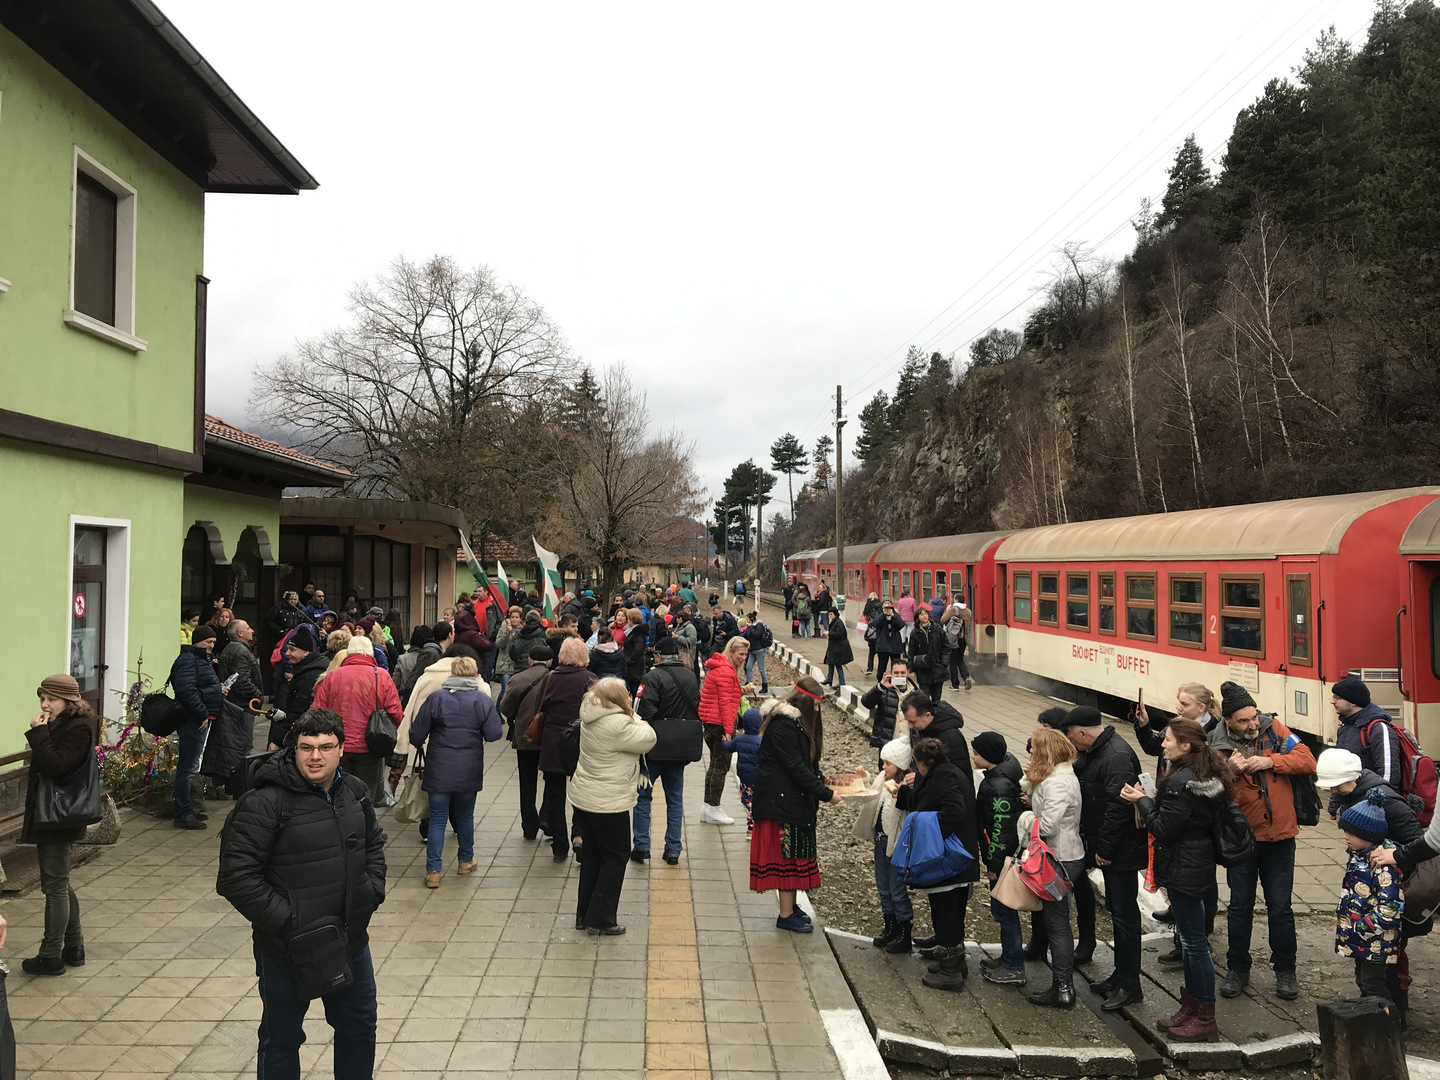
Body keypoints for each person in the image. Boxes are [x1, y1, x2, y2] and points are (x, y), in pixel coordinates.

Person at [217, 708, 386, 1080]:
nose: (316, 756)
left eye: (326, 747)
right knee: (282, 1038)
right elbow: (235, 877)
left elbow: (373, 845)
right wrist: (288, 921)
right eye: (307, 747)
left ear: (342, 749)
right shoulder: (264, 803)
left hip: (349, 941)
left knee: (359, 1030)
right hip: (286, 948)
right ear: (294, 749)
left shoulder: (355, 793)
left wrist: (370, 892)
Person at [1121, 717, 1234, 1043]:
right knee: (1191, 940)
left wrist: (1141, 800)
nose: (1163, 743)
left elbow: (1164, 828)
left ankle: (1203, 1017)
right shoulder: (1205, 774)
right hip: (1197, 865)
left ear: (1185, 746)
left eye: (1168, 739)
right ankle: (1192, 1007)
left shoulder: (1178, 781)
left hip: (1183, 867)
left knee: (1194, 944)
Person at [1207, 681, 1315, 1002]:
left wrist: (1271, 761)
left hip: (1280, 837)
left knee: (1280, 909)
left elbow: (1307, 759)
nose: (1252, 724)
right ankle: (1238, 969)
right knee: (1240, 907)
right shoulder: (1214, 744)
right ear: (1228, 722)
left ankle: (1286, 970)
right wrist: (1229, 770)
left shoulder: (1275, 729)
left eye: (1254, 717)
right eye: (1243, 720)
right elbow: (1205, 788)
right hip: (1240, 841)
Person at [1060, 705, 1146, 1007]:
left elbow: (1118, 808)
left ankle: (1130, 985)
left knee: (1125, 917)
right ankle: (1121, 975)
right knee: (1118, 912)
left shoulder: (1116, 756)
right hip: (1112, 847)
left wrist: (1104, 851)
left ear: (1084, 733)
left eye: (1072, 737)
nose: (1072, 743)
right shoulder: (1099, 751)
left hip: (1120, 851)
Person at [750, 678, 844, 932]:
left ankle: (789, 908)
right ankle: (785, 914)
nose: (817, 710)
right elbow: (796, 768)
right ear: (804, 700)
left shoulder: (792, 723)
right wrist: (826, 793)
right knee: (786, 859)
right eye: (815, 704)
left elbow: (805, 766)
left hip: (787, 800)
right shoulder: (784, 725)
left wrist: (823, 781)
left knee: (791, 857)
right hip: (780, 803)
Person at [1135, 682, 1220, 959]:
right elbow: (1154, 747)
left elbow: (1166, 828)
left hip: (1188, 831)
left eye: (1184, 704)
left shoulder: (1207, 736)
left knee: (1194, 887)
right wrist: (1144, 726)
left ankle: (1193, 939)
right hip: (1175, 810)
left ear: (1201, 708)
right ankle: (1183, 927)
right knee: (1184, 884)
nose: (1178, 708)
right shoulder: (1178, 729)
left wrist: (1145, 802)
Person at [20, 675, 97, 976]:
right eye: (42, 698)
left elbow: (57, 765)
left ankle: (50, 954)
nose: (44, 704)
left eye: (50, 699)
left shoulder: (78, 729)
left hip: (59, 816)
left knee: (54, 886)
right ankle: (74, 947)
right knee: (60, 883)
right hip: (53, 814)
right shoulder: (63, 724)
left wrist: (39, 733)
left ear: (68, 701)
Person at [570, 678, 657, 934]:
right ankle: (601, 917)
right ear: (617, 699)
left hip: (585, 797)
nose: (630, 699)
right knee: (617, 856)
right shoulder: (618, 724)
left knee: (593, 856)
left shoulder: (591, 713)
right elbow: (649, 737)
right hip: (609, 802)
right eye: (626, 695)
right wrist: (638, 718)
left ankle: (584, 914)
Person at [409, 657, 503, 887]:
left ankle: (433, 871)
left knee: (437, 820)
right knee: (465, 816)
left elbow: (416, 734)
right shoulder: (481, 699)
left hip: (439, 765)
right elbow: (494, 733)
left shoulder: (437, 698)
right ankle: (465, 861)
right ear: (473, 674)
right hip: (469, 767)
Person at [892, 735, 976, 989]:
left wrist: (929, 835)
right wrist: (906, 794)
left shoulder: (944, 776)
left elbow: (952, 811)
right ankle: (955, 962)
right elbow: (927, 800)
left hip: (948, 859)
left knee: (946, 912)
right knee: (952, 911)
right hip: (960, 857)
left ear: (920, 762)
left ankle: (950, 973)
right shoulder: (946, 771)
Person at [1017, 728, 1085, 1006]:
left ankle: (1063, 989)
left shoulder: (1057, 782)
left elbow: (1047, 825)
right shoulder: (1060, 774)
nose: (1030, 751)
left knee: (1057, 924)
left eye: (1033, 748)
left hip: (1059, 858)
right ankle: (1062, 985)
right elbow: (1036, 792)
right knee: (1056, 922)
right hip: (1063, 854)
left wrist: (1024, 818)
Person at [632, 638, 701, 865]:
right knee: (675, 798)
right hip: (680, 747)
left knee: (643, 797)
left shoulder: (652, 677)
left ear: (659, 656)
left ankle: (641, 846)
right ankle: (673, 849)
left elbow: (643, 710)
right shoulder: (691, 677)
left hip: (654, 747)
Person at [1333, 790, 1405, 1006]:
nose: (1346, 836)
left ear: (1369, 836)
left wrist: (1362, 928)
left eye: (1351, 833)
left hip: (1376, 940)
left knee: (1373, 985)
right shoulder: (1359, 858)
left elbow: (1391, 908)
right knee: (1365, 982)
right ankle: (1371, 1023)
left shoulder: (1382, 868)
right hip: (1364, 939)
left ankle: (1388, 1027)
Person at [312, 636, 404, 804]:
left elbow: (317, 710)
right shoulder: (381, 676)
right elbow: (396, 711)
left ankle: (342, 825)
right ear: (370, 653)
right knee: (365, 794)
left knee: (339, 791)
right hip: (371, 744)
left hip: (337, 743)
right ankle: (366, 827)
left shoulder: (333, 676)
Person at [534, 637, 598, 862]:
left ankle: (559, 846)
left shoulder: (550, 678)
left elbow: (539, 707)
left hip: (553, 743)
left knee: (555, 795)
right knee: (582, 794)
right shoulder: (590, 679)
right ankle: (579, 836)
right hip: (582, 742)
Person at [972, 732, 1025, 987]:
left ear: (988, 757)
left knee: (1005, 912)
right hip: (1002, 857)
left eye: (976, 753)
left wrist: (994, 866)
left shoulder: (997, 786)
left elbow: (1000, 830)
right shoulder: (1000, 777)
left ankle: (1014, 966)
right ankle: (1008, 957)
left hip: (1002, 861)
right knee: (1003, 911)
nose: (972, 756)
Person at [854, 738, 914, 954]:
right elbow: (870, 796)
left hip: (896, 843)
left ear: (899, 764)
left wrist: (901, 794)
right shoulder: (883, 779)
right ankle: (889, 925)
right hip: (881, 839)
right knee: (883, 886)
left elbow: (906, 814)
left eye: (887, 763)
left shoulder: (906, 786)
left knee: (897, 888)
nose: (883, 767)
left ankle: (904, 930)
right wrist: (864, 779)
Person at [497, 645, 554, 841]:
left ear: (529, 660)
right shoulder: (555, 679)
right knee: (553, 779)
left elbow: (505, 708)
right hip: (550, 738)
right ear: (550, 662)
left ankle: (529, 827)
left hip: (525, 737)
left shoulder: (518, 679)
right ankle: (547, 816)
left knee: (527, 782)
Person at [169, 625, 223, 829]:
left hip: (201, 717)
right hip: (193, 720)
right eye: (208, 642)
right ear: (197, 641)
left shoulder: (201, 659)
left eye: (213, 643)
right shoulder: (188, 660)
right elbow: (186, 690)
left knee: (191, 767)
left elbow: (200, 686)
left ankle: (188, 809)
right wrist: (201, 713)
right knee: (187, 768)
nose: (211, 646)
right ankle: (183, 814)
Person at [1328, 676, 1404, 815]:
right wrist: (1335, 805)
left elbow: (1388, 775)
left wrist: (1376, 808)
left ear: (1354, 702)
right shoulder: (1345, 727)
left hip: (1373, 809)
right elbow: (1339, 771)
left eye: (1338, 697)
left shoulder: (1378, 728)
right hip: (1353, 807)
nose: (1332, 701)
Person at [699, 636, 750, 825]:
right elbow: (727, 705)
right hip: (720, 724)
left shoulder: (718, 668)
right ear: (731, 651)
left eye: (745, 654)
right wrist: (729, 732)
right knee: (721, 767)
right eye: (740, 654)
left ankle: (707, 807)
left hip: (710, 723)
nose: (743, 657)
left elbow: (723, 696)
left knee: (713, 765)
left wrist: (740, 690)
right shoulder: (727, 673)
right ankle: (713, 808)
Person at [271, 625, 325, 748]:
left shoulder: (309, 677)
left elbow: (299, 711)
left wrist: (279, 739)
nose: (287, 653)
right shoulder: (303, 669)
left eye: (292, 650)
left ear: (306, 652)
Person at [861, 661, 914, 761]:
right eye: (896, 673)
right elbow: (866, 703)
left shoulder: (916, 693)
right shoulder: (883, 690)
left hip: (909, 749)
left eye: (902, 673)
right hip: (888, 746)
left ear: (908, 673)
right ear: (891, 673)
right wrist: (880, 687)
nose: (899, 676)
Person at [723, 708, 763, 833]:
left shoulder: (739, 739)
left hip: (744, 777)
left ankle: (751, 821)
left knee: (746, 799)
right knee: (757, 799)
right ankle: (753, 821)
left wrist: (725, 741)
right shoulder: (761, 742)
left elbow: (729, 748)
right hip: (758, 777)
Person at [218, 620, 264, 708]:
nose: (252, 631)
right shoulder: (240, 652)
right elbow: (242, 681)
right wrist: (258, 696)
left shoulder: (232, 648)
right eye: (248, 628)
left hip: (235, 703)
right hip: (242, 705)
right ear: (240, 633)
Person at [907, 606, 946, 702]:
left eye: (926, 614)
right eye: (921, 614)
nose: (924, 616)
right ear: (917, 617)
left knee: (937, 699)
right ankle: (927, 715)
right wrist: (911, 670)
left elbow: (946, 646)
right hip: (923, 669)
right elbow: (911, 653)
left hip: (937, 669)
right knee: (924, 698)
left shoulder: (937, 629)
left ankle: (935, 714)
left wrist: (944, 663)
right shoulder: (914, 633)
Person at [392, 626, 434, 700]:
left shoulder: (403, 659)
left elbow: (394, 683)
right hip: (426, 699)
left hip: (405, 699)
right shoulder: (433, 658)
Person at [941, 595, 973, 691]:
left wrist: (947, 610)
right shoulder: (968, 611)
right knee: (960, 659)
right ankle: (966, 677)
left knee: (953, 662)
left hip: (953, 639)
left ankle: (955, 685)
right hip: (963, 639)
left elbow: (942, 620)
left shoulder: (952, 609)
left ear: (956, 600)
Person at [871, 599, 905, 680]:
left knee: (897, 666)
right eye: (885, 603)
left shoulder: (895, 614)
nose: (887, 605)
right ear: (882, 605)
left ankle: (897, 682)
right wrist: (883, 614)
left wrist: (893, 615)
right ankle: (880, 683)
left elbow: (901, 625)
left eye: (889, 603)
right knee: (882, 667)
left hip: (895, 645)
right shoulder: (878, 613)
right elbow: (875, 623)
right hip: (883, 645)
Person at [742, 612, 772, 693]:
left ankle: (765, 685)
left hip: (760, 651)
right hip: (752, 651)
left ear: (751, 619)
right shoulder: (749, 627)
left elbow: (756, 634)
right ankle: (748, 683)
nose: (746, 621)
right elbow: (745, 635)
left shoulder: (759, 625)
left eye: (747, 619)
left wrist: (750, 626)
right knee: (748, 667)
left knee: (761, 669)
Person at [823, 613, 854, 688]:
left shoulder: (838, 623)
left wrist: (829, 633)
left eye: (831, 614)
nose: (830, 616)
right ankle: (829, 679)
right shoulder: (835, 621)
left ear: (835, 614)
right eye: (829, 614)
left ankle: (842, 682)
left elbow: (839, 634)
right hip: (834, 646)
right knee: (831, 662)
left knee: (837, 664)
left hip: (839, 647)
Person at [622, 608, 648, 695]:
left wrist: (629, 661)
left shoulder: (638, 634)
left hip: (635, 669)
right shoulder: (635, 632)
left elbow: (638, 650)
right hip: (634, 667)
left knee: (635, 691)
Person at [861, 593, 883, 674]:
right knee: (881, 655)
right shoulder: (881, 616)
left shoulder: (868, 603)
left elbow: (865, 612)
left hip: (872, 637)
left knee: (871, 654)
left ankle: (869, 668)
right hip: (880, 638)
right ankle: (880, 670)